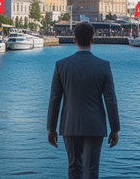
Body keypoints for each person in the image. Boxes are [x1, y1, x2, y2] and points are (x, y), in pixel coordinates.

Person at [47, 22, 120, 179]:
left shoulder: (61, 65)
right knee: (91, 170)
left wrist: (51, 128)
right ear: (93, 39)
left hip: (70, 124)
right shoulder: (104, 66)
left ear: (74, 39)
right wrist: (115, 129)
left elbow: (55, 99)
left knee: (74, 167)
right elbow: (111, 100)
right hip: (95, 125)